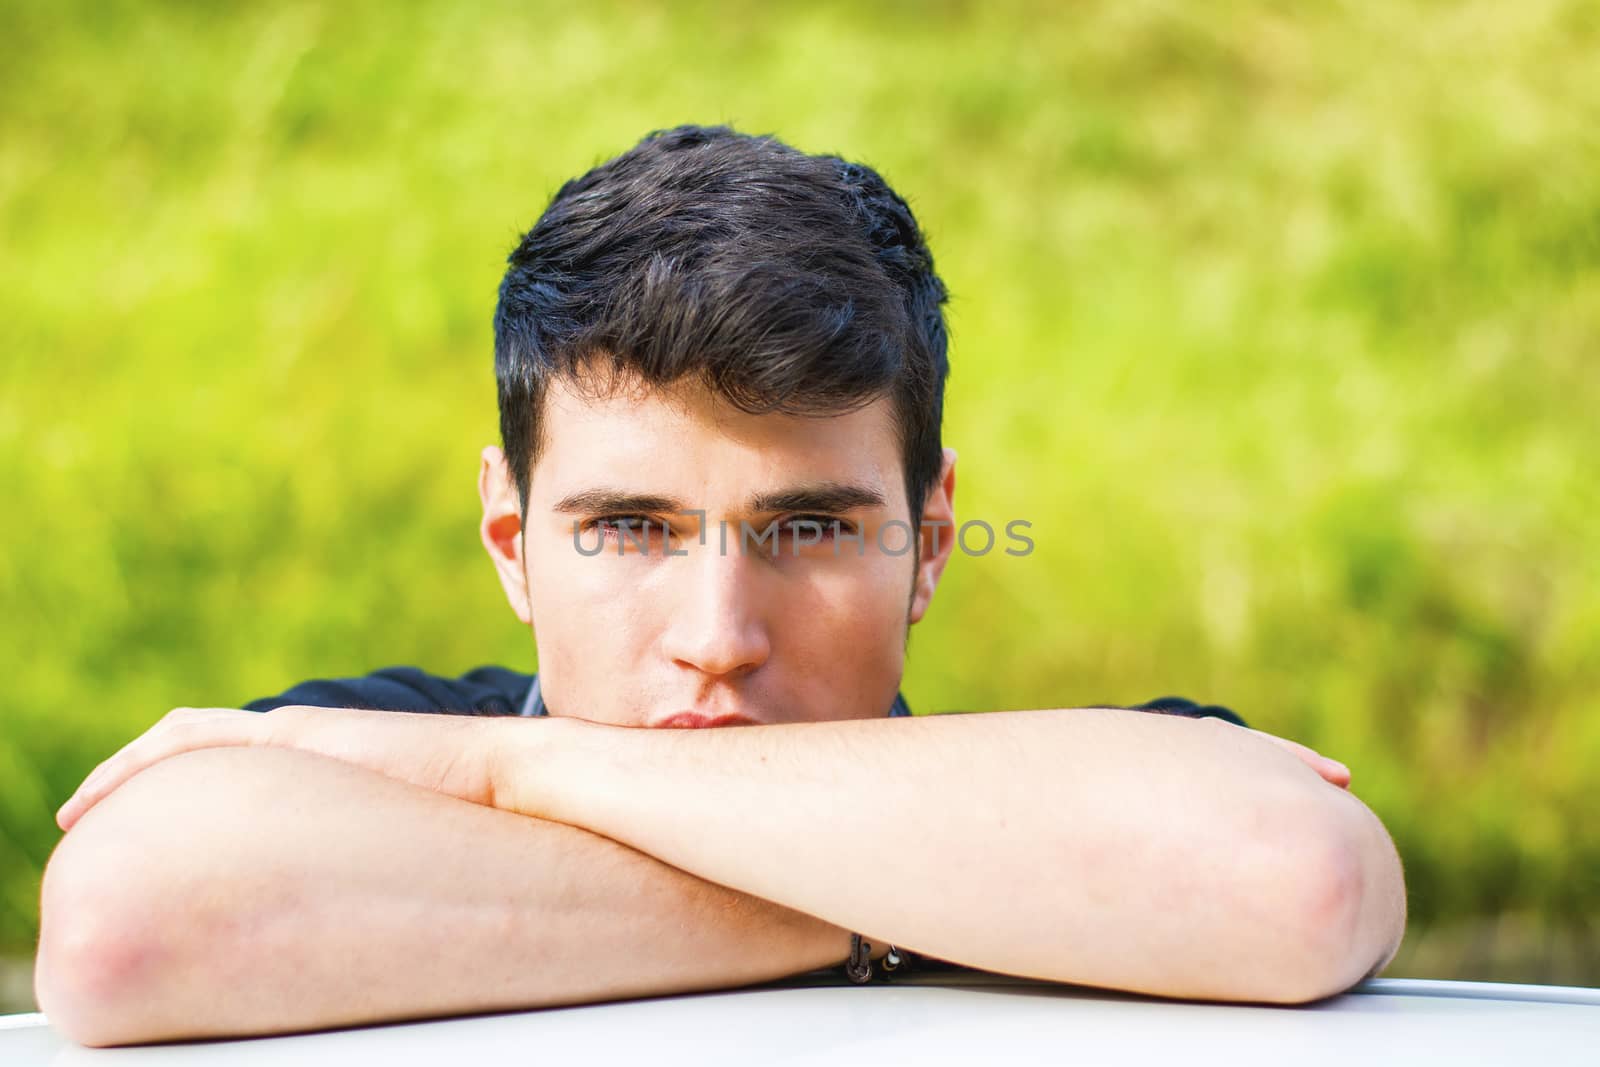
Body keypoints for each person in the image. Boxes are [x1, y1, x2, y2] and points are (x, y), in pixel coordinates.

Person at [34, 125, 1406, 1047]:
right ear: (511, 543)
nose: (717, 639)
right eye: (628, 529)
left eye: (808, 530)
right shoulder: (1069, 839)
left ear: (929, 545)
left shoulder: (407, 763)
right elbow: (117, 928)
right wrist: (928, 912)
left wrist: (516, 782)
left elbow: (1296, 883)